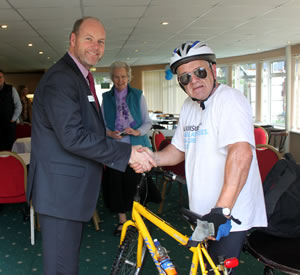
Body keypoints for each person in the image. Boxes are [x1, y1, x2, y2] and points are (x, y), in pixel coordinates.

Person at [26, 17, 155, 275]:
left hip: (68, 193)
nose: (95, 46)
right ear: (73, 40)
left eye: (101, 42)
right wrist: (127, 152)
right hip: (59, 194)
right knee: (62, 269)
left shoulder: (80, 78)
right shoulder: (62, 78)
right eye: (89, 39)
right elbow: (73, 136)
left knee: (65, 265)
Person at [136, 40, 267, 272]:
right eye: (185, 77)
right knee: (205, 267)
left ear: (213, 70)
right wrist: (151, 158)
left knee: (215, 268)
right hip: (203, 211)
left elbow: (241, 153)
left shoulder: (229, 100)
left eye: (199, 72)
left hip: (228, 215)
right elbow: (178, 151)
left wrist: (222, 211)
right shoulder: (189, 106)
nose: (193, 80)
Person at [102, 61, 159, 235]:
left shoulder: (138, 95)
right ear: (112, 78)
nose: (120, 80)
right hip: (115, 149)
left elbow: (148, 122)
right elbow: (101, 124)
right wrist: (110, 133)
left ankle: (139, 218)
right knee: (116, 184)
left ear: (129, 77)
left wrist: (136, 131)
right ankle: (122, 220)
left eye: (124, 77)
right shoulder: (106, 98)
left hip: (138, 146)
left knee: (136, 185)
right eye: (117, 77)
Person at [0, 70, 22, 151]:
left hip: (9, 125)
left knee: (10, 148)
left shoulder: (11, 89)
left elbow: (18, 105)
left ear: (3, 78)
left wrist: (13, 119)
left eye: (0, 77)